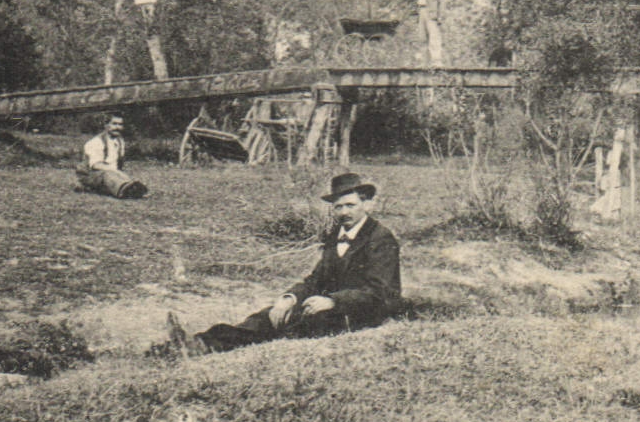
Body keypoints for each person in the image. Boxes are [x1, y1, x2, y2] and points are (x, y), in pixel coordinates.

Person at [167, 172, 402, 355]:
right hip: (327, 306)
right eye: (338, 207)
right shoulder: (336, 235)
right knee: (269, 316)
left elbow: (380, 292)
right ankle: (198, 343)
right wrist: (288, 298)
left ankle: (214, 346)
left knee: (303, 322)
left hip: (361, 313)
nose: (344, 212)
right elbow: (316, 279)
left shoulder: (380, 238)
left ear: (366, 204)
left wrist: (332, 301)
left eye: (350, 205)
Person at [77, 113, 147, 199]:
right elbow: (96, 165)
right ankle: (124, 190)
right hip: (92, 175)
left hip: (111, 174)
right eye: (114, 124)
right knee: (107, 175)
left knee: (116, 176)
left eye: (120, 124)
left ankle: (131, 188)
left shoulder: (120, 141)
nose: (117, 127)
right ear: (106, 125)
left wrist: (120, 173)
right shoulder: (96, 142)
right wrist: (116, 171)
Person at [416, 0, 451, 67]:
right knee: (422, 38)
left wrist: (441, 15)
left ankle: (436, 62)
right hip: (422, 11)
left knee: (434, 36)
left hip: (432, 12)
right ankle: (424, 62)